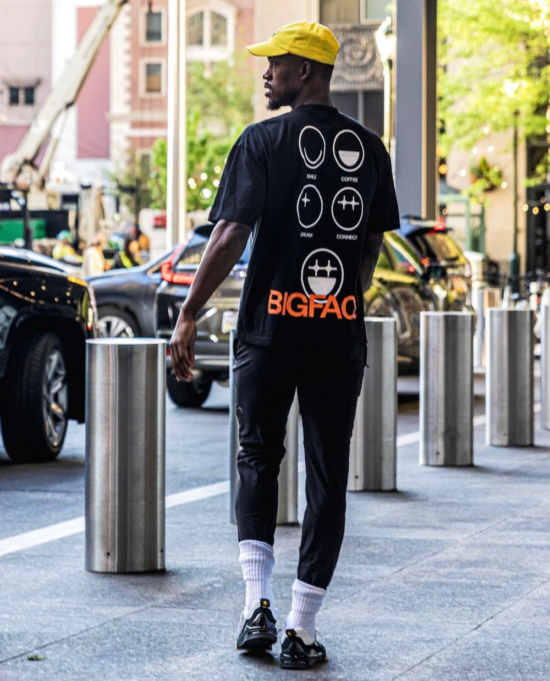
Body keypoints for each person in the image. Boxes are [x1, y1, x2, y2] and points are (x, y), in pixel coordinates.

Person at [170, 21, 400, 670]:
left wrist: (189, 313)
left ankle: (255, 606)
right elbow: (370, 251)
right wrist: (340, 307)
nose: (266, 73)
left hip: (268, 334)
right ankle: (300, 627)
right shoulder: (370, 149)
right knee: (328, 475)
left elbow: (229, 234)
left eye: (276, 63)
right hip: (336, 337)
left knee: (255, 458)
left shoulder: (262, 142)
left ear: (307, 71)